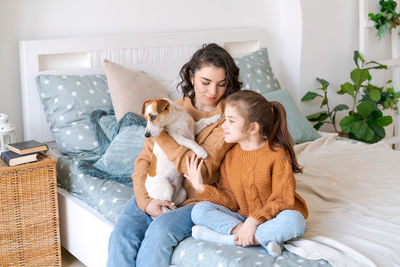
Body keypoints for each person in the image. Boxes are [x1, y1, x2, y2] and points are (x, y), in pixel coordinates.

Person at [107, 43, 242, 267]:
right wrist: (145, 200)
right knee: (121, 236)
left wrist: (164, 137)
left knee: (159, 233)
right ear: (191, 76)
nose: (212, 92)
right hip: (155, 187)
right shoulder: (170, 109)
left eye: (221, 84)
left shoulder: (227, 120)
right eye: (205, 83)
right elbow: (143, 161)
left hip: (194, 200)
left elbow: (204, 171)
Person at [185, 90, 309, 257]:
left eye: (231, 120)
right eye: (224, 119)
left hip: (272, 218)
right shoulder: (230, 157)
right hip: (241, 219)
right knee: (199, 210)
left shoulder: (277, 155)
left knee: (295, 221)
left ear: (252, 128)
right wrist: (200, 187)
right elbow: (231, 201)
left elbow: (282, 199)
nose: (223, 125)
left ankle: (230, 239)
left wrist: (254, 220)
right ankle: (263, 240)